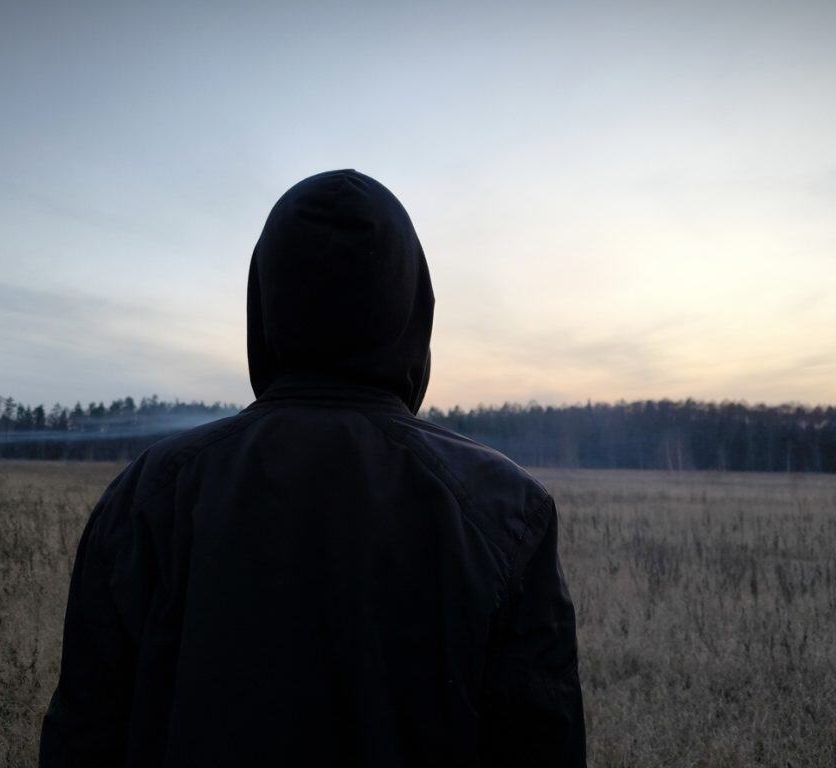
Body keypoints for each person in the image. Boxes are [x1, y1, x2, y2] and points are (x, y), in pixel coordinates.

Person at [39, 169, 586, 767]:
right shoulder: (503, 508)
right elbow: (542, 747)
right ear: (413, 310)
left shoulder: (147, 495)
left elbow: (83, 740)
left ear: (264, 303)